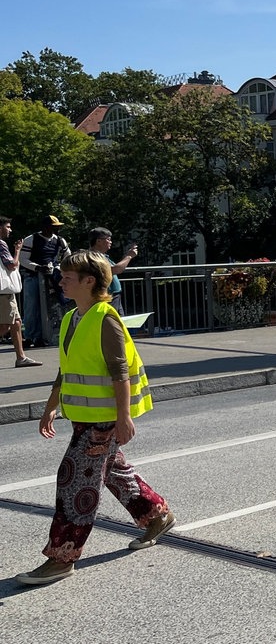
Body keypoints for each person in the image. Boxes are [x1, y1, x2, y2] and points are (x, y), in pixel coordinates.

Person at [15, 251, 173, 586]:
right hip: (86, 417)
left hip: (104, 419)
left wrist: (123, 418)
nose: (61, 281)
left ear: (90, 281)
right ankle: (156, 516)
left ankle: (62, 556)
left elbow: (119, 373)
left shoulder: (105, 317)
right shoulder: (74, 316)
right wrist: (50, 405)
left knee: (74, 481)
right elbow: (67, 368)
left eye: (68, 277)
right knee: (113, 470)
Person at [18, 215, 71, 348]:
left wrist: (59, 267)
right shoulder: (31, 239)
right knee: (31, 307)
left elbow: (68, 257)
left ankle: (46, 335)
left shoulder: (60, 241)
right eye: (53, 227)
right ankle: (31, 336)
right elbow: (23, 259)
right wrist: (37, 267)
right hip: (33, 277)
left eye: (57, 227)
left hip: (53, 277)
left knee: (53, 306)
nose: (55, 229)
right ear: (45, 227)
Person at [0, 217, 43, 367]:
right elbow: (12, 264)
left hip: (4, 292)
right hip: (3, 292)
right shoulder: (1, 244)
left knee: (16, 322)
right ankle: (21, 357)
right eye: (8, 227)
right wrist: (17, 251)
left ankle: (21, 357)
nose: (10, 230)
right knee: (6, 324)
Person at [89, 228, 138, 315]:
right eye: (108, 239)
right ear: (98, 241)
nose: (110, 242)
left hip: (114, 296)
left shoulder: (103, 256)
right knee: (112, 322)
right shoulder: (93, 256)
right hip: (107, 296)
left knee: (119, 322)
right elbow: (115, 269)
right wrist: (129, 256)